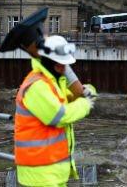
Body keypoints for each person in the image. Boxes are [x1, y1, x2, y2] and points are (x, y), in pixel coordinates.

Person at [14, 35, 97, 187]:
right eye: (60, 65)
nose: (63, 69)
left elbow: (66, 98)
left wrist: (86, 92)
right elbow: (60, 116)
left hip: (50, 171)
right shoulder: (37, 86)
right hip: (40, 174)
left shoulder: (51, 82)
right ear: (52, 63)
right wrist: (85, 104)